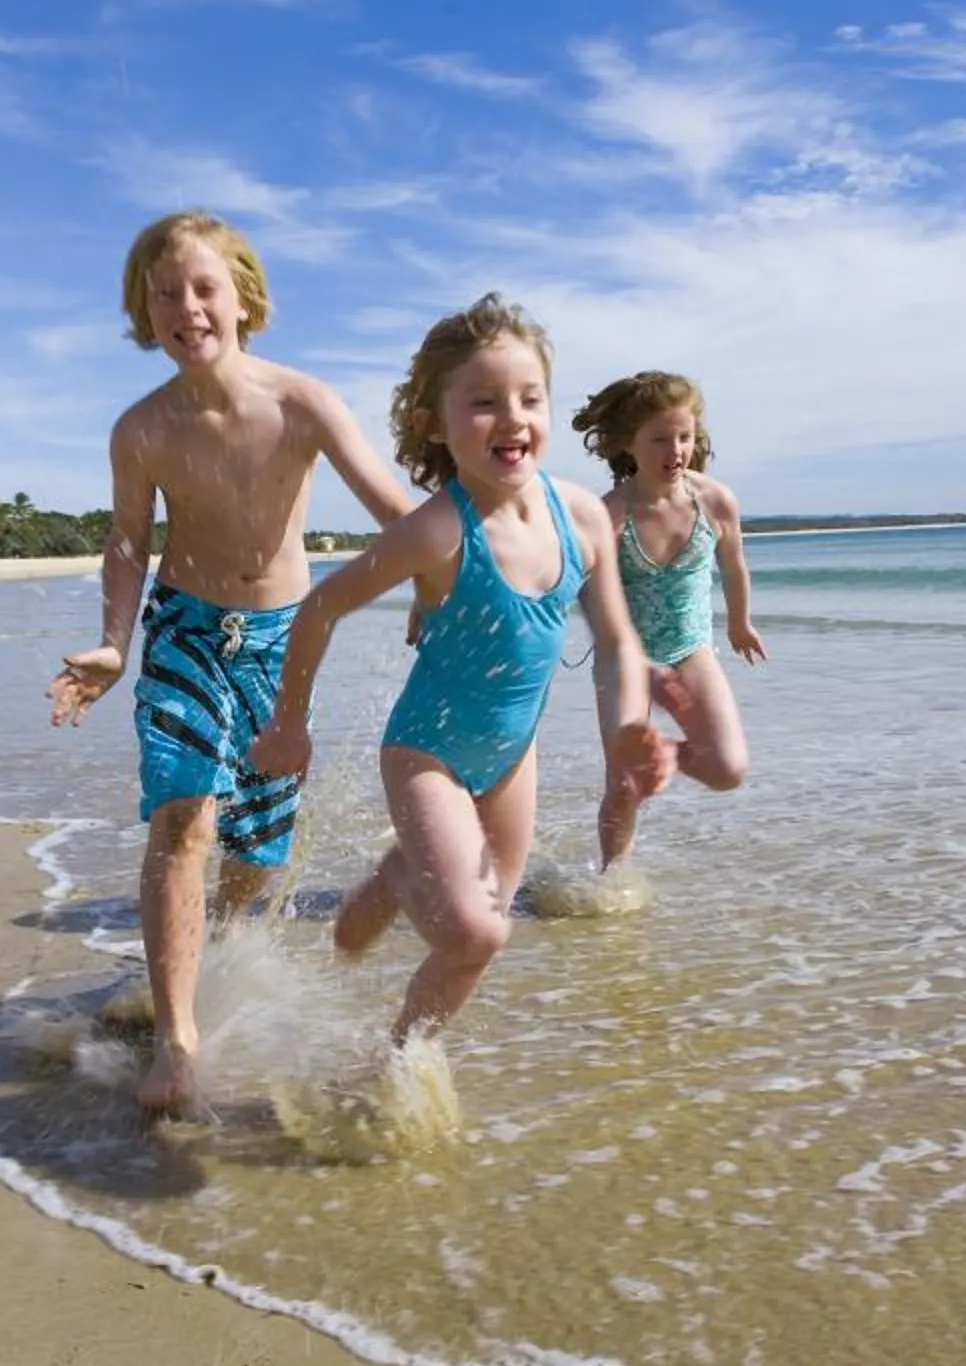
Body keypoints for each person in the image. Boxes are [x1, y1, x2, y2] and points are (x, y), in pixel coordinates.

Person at [46, 210, 416, 1115]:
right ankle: (176, 1041)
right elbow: (128, 542)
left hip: (284, 643)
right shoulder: (141, 429)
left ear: (242, 297)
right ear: (145, 313)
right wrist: (114, 642)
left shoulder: (302, 403)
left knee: (256, 846)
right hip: (185, 629)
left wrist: (450, 587)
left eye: (203, 288)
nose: (187, 307)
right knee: (183, 817)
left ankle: (218, 938)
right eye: (164, 294)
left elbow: (397, 513)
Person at [251, 294, 673, 1049]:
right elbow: (319, 608)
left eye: (530, 399)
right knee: (479, 929)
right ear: (436, 424)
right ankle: (404, 875)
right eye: (483, 403)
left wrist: (630, 729)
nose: (512, 418)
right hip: (427, 755)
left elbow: (616, 640)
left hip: (511, 760)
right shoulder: (437, 531)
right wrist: (288, 727)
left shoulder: (581, 518)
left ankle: (400, 1061)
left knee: (482, 935)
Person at [570, 371, 765, 868]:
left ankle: (664, 754)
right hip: (624, 660)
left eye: (684, 436)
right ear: (628, 444)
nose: (675, 450)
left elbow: (734, 565)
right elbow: (587, 594)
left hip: (690, 648)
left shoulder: (715, 501)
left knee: (727, 768)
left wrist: (739, 623)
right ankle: (613, 879)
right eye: (659, 439)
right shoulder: (609, 514)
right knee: (624, 784)